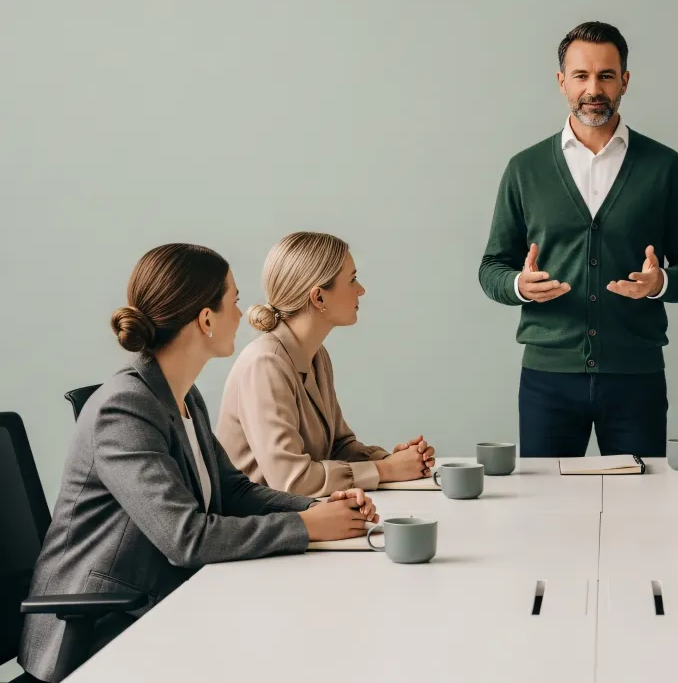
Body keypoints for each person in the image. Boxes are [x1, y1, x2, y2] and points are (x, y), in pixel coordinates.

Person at [20, 244, 375, 683]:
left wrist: (316, 511)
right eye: (235, 301)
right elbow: (185, 538)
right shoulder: (124, 407)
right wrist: (309, 528)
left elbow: (234, 492)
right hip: (100, 631)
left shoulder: (184, 395)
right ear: (206, 320)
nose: (244, 314)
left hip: (160, 605)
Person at [478, 21, 678, 457]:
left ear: (625, 80)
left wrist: (659, 283)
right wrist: (518, 286)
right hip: (547, 377)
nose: (593, 88)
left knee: (641, 506)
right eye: (581, 76)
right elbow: (491, 266)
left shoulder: (663, 166)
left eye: (606, 75)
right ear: (561, 81)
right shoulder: (524, 169)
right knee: (544, 510)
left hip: (636, 376)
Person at [217, 232, 434, 497]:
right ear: (319, 298)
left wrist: (391, 460)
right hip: (264, 526)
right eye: (352, 279)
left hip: (300, 515)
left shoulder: (316, 355)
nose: (361, 290)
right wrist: (386, 470)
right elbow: (292, 480)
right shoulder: (266, 364)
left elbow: (338, 446)